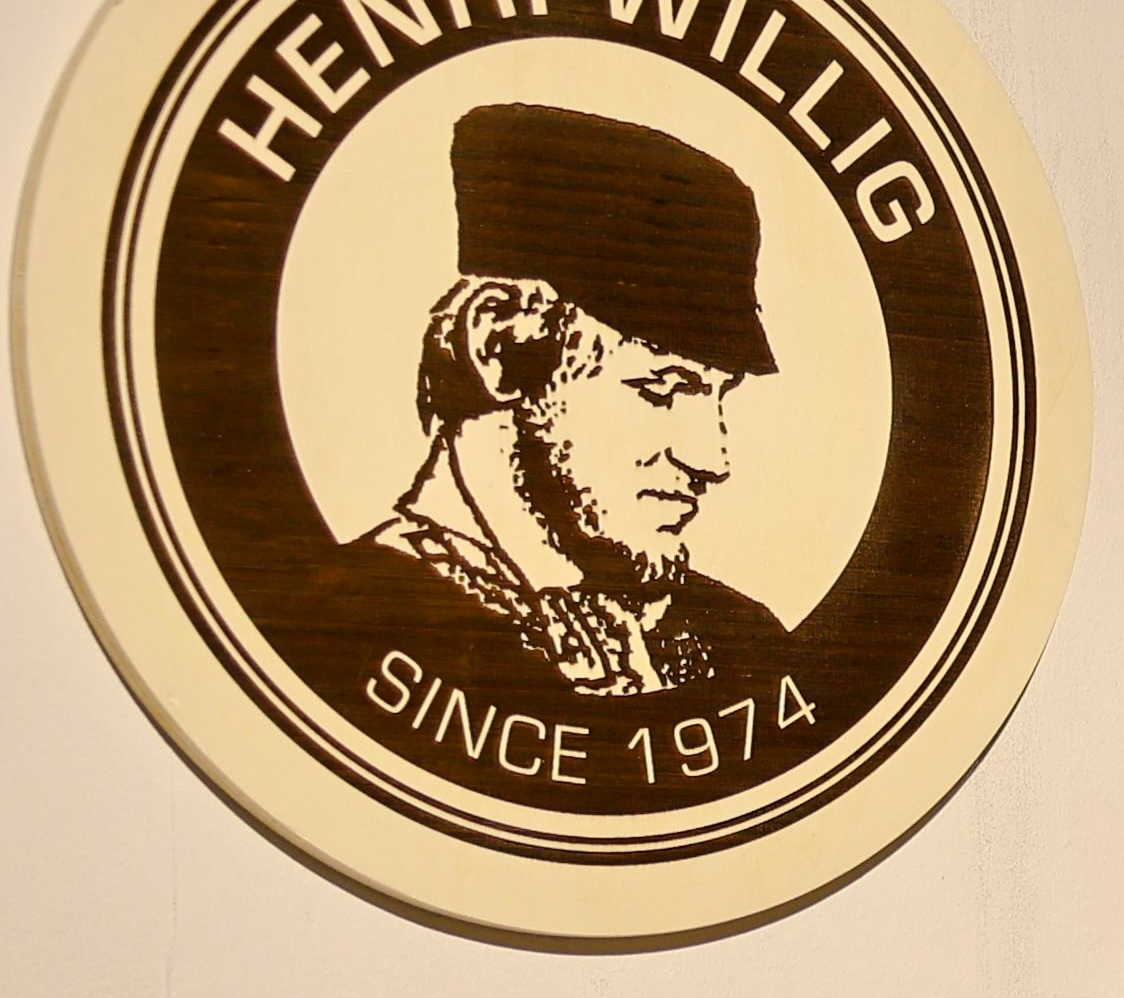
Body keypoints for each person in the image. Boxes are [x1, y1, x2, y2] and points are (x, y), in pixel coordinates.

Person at [319, 102, 798, 708]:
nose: (712, 459)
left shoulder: (742, 640)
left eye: (717, 394)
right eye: (662, 388)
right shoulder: (354, 621)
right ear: (495, 345)